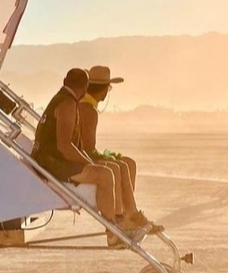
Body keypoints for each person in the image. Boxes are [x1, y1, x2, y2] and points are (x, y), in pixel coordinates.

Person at [32, 69, 142, 246]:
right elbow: (65, 147)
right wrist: (88, 162)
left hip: (50, 160)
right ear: (84, 87)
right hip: (51, 164)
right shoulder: (67, 104)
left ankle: (120, 222)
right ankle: (113, 231)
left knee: (108, 170)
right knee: (105, 175)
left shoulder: (61, 100)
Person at [78, 65, 162, 232]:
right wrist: (106, 158)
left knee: (129, 163)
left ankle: (129, 214)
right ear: (102, 90)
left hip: (83, 155)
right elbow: (87, 148)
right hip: (82, 159)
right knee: (121, 165)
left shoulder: (85, 105)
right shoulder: (88, 110)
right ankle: (128, 216)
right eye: (108, 88)